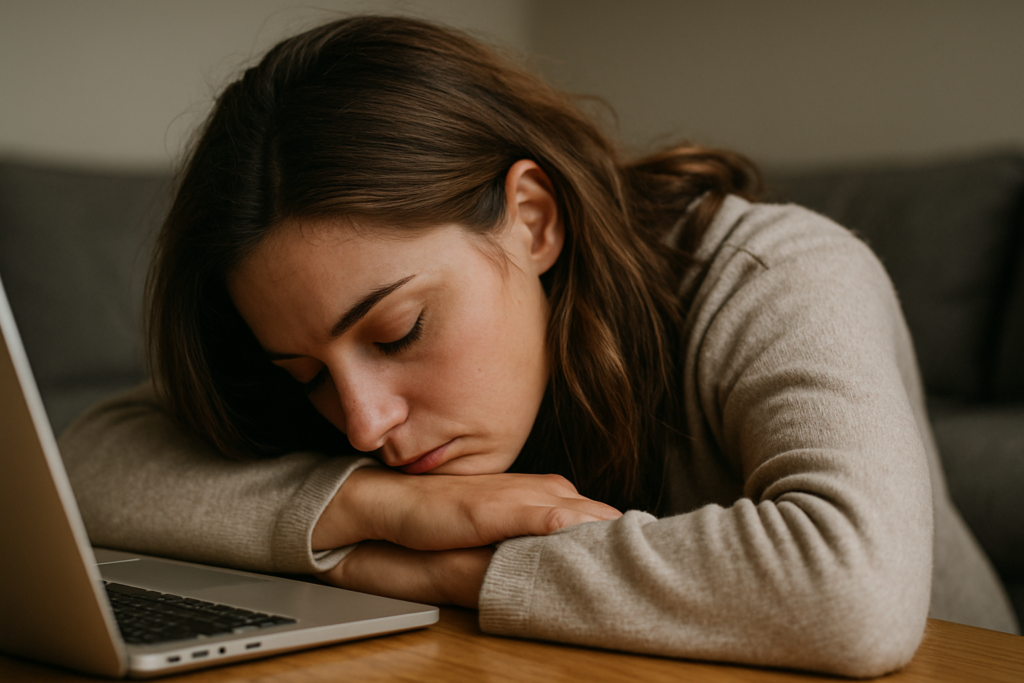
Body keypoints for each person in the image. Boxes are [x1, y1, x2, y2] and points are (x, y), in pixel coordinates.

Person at [59, 14, 1017, 678]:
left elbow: (849, 591)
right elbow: (88, 463)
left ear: (532, 217)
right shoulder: (365, 424)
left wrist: (414, 566)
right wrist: (374, 505)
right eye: (304, 375)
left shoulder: (776, 271)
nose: (361, 419)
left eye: (399, 331)